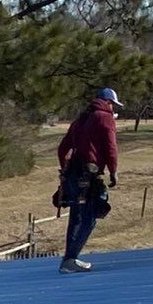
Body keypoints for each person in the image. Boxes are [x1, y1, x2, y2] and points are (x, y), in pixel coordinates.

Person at [54, 86, 120, 272]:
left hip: (73, 173)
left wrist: (65, 168)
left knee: (76, 217)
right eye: (113, 104)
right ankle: (70, 259)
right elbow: (110, 147)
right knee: (89, 218)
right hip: (88, 175)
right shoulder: (105, 117)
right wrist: (113, 171)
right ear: (108, 102)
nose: (113, 108)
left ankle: (69, 258)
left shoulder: (80, 119)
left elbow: (62, 148)